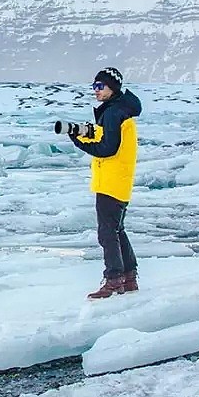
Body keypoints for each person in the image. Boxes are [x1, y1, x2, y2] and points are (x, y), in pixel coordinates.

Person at [67, 67, 142, 299]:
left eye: (100, 86)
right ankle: (129, 278)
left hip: (110, 180)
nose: (95, 91)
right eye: (94, 86)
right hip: (120, 180)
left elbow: (107, 149)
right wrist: (89, 134)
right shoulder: (120, 111)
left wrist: (79, 142)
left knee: (107, 233)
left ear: (113, 87)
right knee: (117, 229)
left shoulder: (112, 113)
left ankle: (114, 280)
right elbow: (108, 140)